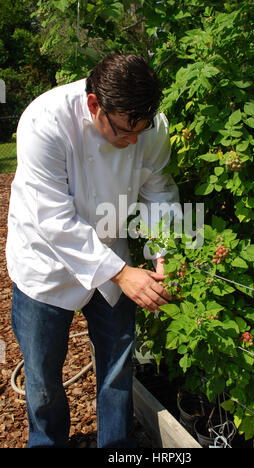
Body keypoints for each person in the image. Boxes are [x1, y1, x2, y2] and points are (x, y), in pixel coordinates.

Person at [6, 54, 180, 448]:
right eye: (123, 131)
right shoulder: (43, 122)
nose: (134, 140)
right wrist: (120, 273)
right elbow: (52, 219)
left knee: (119, 362)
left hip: (111, 249)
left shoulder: (147, 126)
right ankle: (46, 441)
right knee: (43, 374)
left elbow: (159, 190)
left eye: (142, 129)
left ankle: (115, 447)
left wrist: (162, 252)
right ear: (93, 105)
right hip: (45, 260)